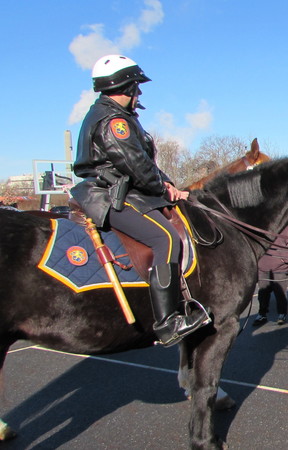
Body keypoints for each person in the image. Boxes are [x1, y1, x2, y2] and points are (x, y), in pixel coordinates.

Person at [71, 54, 210, 346]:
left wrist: (166, 182)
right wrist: (163, 189)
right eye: (137, 86)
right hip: (109, 195)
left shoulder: (115, 115)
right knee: (166, 238)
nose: (139, 93)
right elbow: (135, 165)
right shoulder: (114, 121)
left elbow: (144, 162)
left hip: (124, 189)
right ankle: (168, 322)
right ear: (126, 86)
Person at [253, 225, 288, 326]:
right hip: (263, 266)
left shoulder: (286, 227)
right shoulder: (261, 225)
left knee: (280, 293)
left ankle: (282, 314)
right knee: (262, 293)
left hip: (280, 268)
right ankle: (262, 314)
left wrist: (284, 260)